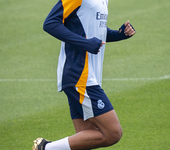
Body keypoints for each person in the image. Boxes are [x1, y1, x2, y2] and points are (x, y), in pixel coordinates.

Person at [33, 0, 135, 149]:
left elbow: (91, 29)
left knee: (85, 140)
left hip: (87, 76)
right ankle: (46, 148)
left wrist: (119, 34)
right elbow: (50, 23)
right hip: (79, 75)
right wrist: (85, 43)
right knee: (113, 133)